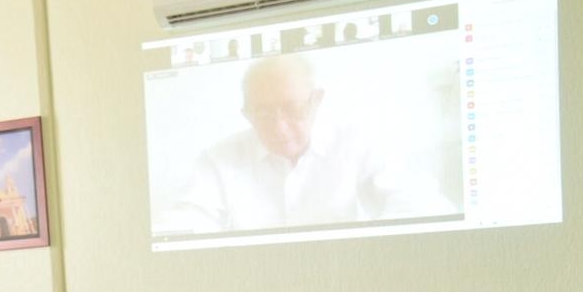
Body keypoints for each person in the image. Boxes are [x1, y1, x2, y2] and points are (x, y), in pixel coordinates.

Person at [159, 53, 454, 234]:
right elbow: (184, 222)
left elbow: (423, 204)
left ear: (316, 100)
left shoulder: (357, 141)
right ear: (246, 114)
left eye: (292, 108)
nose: (280, 127)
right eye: (263, 113)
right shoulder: (218, 159)